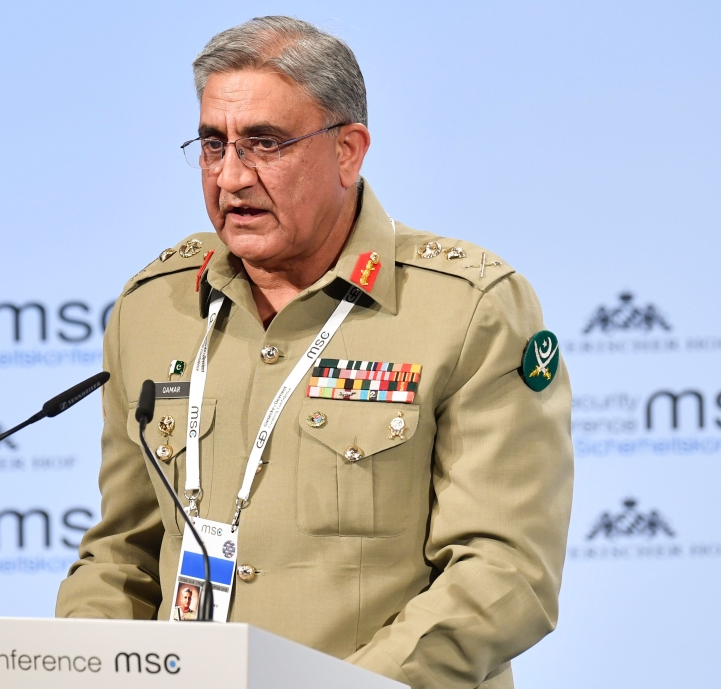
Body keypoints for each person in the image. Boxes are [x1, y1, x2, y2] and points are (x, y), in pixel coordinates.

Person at [56, 16, 573, 689]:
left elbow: (506, 573)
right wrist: (94, 668)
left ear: (348, 150)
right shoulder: (152, 308)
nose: (231, 176)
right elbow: (120, 552)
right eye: (214, 144)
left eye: (265, 143)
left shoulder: (470, 308)